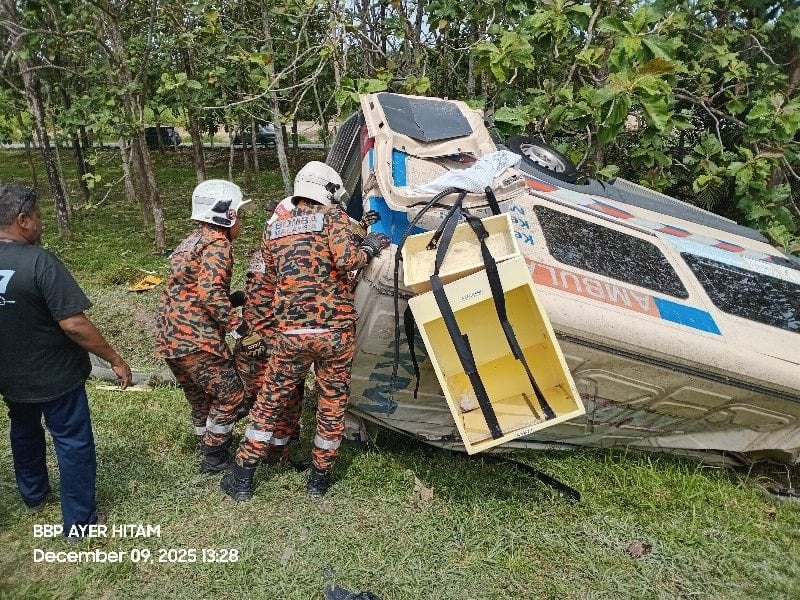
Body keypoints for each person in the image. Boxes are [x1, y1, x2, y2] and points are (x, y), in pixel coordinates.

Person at [221, 161, 390, 501]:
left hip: (291, 335)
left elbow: (264, 289)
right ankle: (319, 480)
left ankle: (242, 478)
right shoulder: (334, 218)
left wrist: (263, 333)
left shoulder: (274, 230)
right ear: (328, 192)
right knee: (331, 402)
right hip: (335, 333)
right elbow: (347, 260)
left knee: (270, 402)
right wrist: (371, 246)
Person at [0, 182, 132, 541]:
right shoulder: (40, 262)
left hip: (10, 379)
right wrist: (114, 358)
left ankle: (34, 495)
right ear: (22, 219)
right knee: (72, 442)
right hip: (56, 378)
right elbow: (73, 323)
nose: (40, 225)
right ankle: (80, 523)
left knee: (24, 431)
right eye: (38, 218)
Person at [155, 179, 262, 474]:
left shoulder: (190, 241)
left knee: (201, 398)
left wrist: (233, 298)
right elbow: (209, 294)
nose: (241, 222)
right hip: (196, 339)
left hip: (170, 337)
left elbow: (189, 289)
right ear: (225, 214)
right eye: (239, 215)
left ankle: (207, 443)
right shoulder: (218, 244)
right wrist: (240, 328)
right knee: (231, 394)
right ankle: (215, 456)